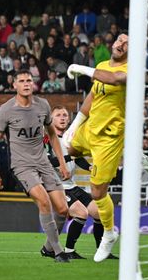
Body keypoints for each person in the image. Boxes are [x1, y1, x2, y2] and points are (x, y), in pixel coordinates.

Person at [0, 70, 73, 263]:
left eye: (29, 80)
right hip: (21, 165)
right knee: (44, 202)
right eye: (22, 81)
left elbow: (52, 134)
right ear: (14, 85)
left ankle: (48, 248)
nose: (26, 84)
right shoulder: (6, 109)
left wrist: (62, 162)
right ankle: (59, 252)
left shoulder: (43, 105)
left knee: (62, 210)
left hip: (43, 162)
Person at [64, 33, 128, 262]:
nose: (120, 44)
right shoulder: (101, 65)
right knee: (63, 150)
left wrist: (81, 68)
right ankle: (55, 197)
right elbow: (92, 96)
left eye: (126, 43)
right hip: (89, 129)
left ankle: (109, 235)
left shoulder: (132, 69)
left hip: (108, 138)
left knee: (97, 192)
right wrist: (74, 125)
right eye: (119, 40)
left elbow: (114, 79)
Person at [43, 106, 116, 260]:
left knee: (98, 212)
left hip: (72, 185)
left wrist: (90, 167)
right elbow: (47, 162)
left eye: (64, 115)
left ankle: (101, 250)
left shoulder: (70, 138)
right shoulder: (46, 138)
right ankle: (69, 250)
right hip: (58, 188)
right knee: (81, 213)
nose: (62, 118)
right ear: (51, 119)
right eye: (58, 115)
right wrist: (68, 157)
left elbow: (78, 158)